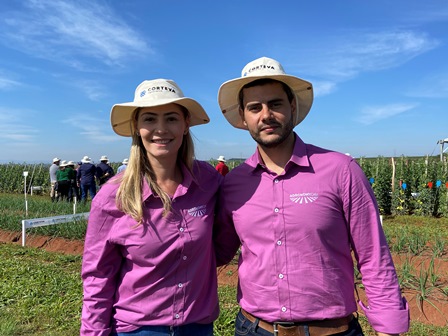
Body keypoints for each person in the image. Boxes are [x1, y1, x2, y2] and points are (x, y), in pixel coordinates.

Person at [213, 57, 409, 336]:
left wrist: (389, 326)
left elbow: (373, 255)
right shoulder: (234, 183)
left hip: (331, 331)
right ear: (243, 118)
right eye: (254, 107)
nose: (265, 115)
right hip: (254, 328)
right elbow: (218, 251)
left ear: (292, 107)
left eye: (276, 104)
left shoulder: (341, 170)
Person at [81, 78, 222, 336]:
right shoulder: (113, 196)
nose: (161, 129)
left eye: (171, 118)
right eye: (149, 119)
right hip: (139, 330)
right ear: (136, 127)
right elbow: (98, 276)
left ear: (185, 125)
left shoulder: (209, 180)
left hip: (198, 327)